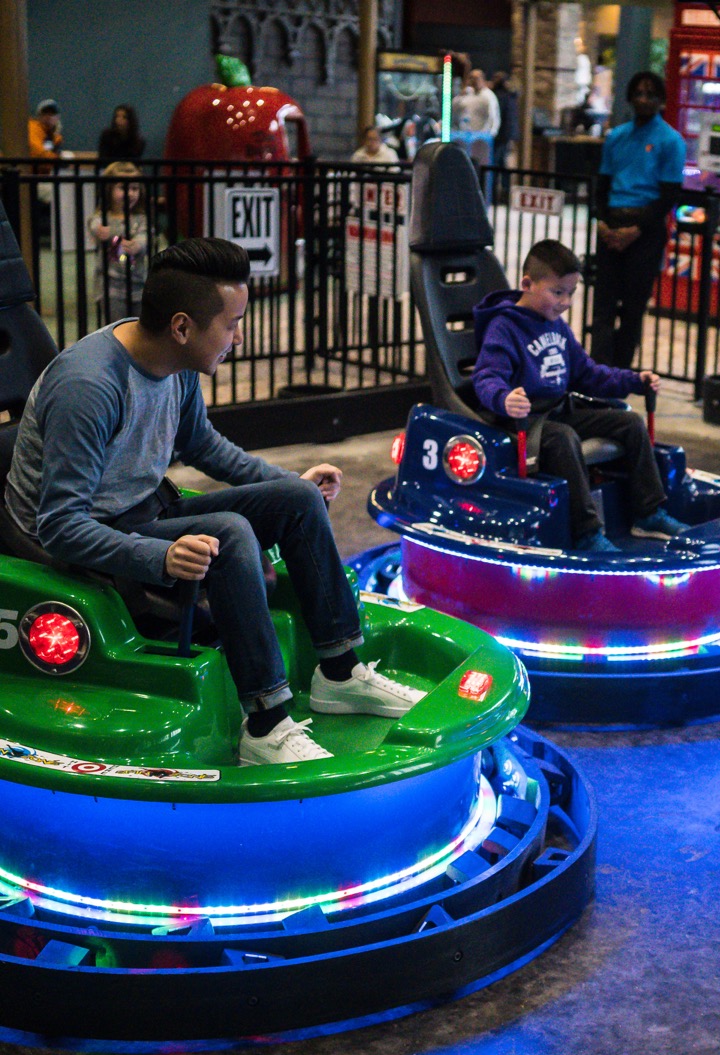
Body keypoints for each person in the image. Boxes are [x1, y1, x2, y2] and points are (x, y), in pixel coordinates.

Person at [5, 238, 425, 765]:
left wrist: (289, 480)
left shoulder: (173, 364)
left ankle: (339, 673)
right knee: (229, 532)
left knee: (296, 499)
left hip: (141, 509)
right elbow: (60, 525)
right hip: (81, 534)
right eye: (231, 324)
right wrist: (159, 556)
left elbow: (203, 446)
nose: (239, 337)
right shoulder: (90, 386)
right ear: (182, 327)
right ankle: (267, 724)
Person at [471, 239, 689, 554]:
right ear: (527, 284)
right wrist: (504, 398)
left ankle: (648, 513)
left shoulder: (556, 326)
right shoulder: (503, 327)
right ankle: (586, 533)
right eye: (557, 292)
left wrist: (634, 380)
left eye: (571, 293)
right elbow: (486, 376)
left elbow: (588, 374)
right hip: (525, 422)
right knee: (564, 438)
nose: (566, 302)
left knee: (629, 422)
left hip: (559, 411)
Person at [590, 71, 686, 369]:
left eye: (651, 94)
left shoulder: (671, 141)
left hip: (645, 230)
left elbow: (669, 196)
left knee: (632, 308)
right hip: (611, 225)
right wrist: (603, 222)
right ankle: (598, 372)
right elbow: (602, 186)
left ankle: (619, 372)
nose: (644, 99)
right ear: (630, 97)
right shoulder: (616, 137)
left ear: (661, 101)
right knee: (602, 306)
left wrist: (635, 230)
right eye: (639, 93)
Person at [88, 162, 147, 323]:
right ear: (109, 190)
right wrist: (99, 230)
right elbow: (94, 224)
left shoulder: (141, 218)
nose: (130, 193)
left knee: (138, 326)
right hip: (110, 287)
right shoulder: (103, 217)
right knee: (115, 328)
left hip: (138, 285)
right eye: (123, 188)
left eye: (134, 188)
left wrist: (138, 245)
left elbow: (145, 235)